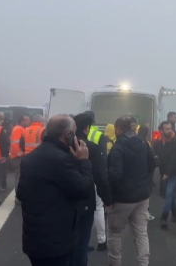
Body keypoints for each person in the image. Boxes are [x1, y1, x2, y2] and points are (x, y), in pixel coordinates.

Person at [17, 115, 94, 266]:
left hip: (34, 239)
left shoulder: (30, 157)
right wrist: (84, 161)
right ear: (68, 135)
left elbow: (21, 193)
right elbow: (84, 189)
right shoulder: (60, 159)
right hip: (55, 242)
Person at [107, 116, 155, 266]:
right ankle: (143, 263)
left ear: (119, 129)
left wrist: (109, 199)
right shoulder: (143, 142)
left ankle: (115, 262)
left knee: (115, 232)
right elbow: (152, 163)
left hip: (123, 198)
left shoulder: (118, 146)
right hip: (142, 196)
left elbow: (115, 175)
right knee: (141, 232)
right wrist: (145, 183)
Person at [70, 113, 113, 263]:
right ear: (87, 127)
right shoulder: (90, 147)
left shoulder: (63, 144)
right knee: (82, 240)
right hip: (86, 196)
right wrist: (108, 199)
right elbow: (100, 176)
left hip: (64, 199)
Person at [154, 121, 176, 229]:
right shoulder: (158, 143)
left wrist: (167, 173)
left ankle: (164, 217)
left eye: (170, 128)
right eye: (166, 129)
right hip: (164, 172)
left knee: (169, 193)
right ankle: (175, 212)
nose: (169, 131)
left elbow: (175, 159)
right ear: (161, 130)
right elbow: (158, 156)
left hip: (174, 172)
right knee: (170, 194)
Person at [10, 115, 31, 204]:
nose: (29, 122)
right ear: (22, 121)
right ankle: (18, 198)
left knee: (20, 176)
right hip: (17, 157)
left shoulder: (20, 129)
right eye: (27, 120)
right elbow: (15, 143)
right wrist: (21, 154)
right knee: (19, 177)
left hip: (17, 156)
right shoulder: (18, 129)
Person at [138, 125, 156, 222]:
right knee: (145, 196)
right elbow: (151, 160)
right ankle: (146, 214)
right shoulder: (146, 143)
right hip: (145, 173)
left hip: (137, 173)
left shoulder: (135, 142)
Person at [0, 112, 10, 192]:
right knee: (0, 169)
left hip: (2, 151)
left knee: (2, 169)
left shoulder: (6, 126)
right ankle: (1, 185)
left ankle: (2, 184)